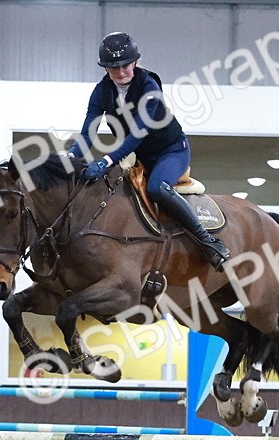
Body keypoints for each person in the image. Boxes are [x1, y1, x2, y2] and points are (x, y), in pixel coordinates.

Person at [66, 32, 230, 271]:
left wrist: (106, 161)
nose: (121, 73)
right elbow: (88, 132)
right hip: (139, 156)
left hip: (171, 151)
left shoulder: (149, 86)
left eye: (125, 66)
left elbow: (137, 134)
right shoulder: (101, 92)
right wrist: (71, 158)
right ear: (105, 69)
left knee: (156, 188)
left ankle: (208, 241)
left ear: (134, 62)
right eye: (114, 68)